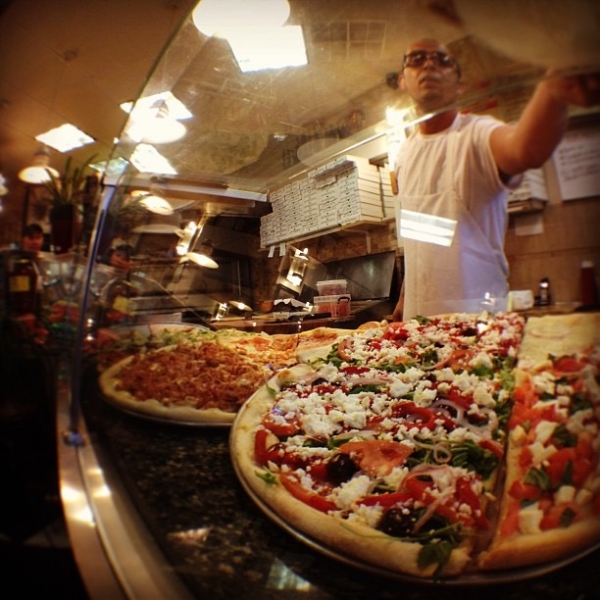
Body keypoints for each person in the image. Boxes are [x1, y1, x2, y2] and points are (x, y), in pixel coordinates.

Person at [392, 38, 600, 321]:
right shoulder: (404, 154)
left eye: (442, 59)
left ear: (459, 85)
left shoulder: (477, 133)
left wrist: (553, 89)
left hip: (479, 325)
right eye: (417, 59)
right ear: (402, 81)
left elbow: (525, 149)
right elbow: (421, 238)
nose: (429, 64)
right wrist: (405, 295)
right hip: (416, 322)